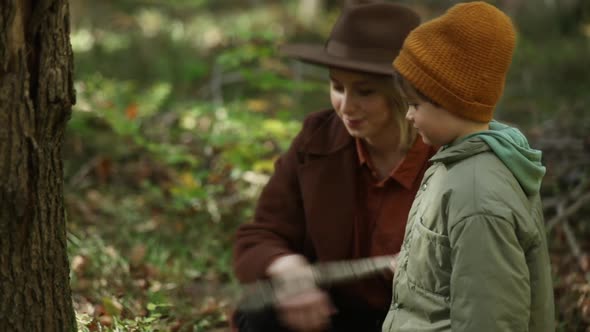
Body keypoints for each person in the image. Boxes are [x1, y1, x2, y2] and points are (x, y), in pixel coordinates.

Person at [231, 2, 437, 332]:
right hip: (330, 315)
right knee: (262, 313)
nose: (345, 105)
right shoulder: (318, 140)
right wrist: (286, 266)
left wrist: (432, 275)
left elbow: (483, 270)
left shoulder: (446, 154)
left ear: (404, 94)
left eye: (365, 91)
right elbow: (261, 234)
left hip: (419, 321)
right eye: (337, 86)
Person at [382, 2, 555, 331]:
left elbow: (490, 316)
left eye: (414, 105)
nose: (408, 116)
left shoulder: (477, 194)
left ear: (449, 100)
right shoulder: (458, 163)